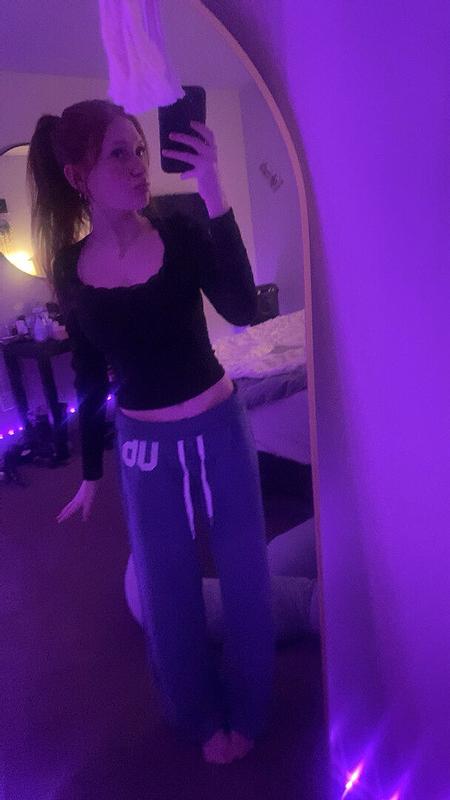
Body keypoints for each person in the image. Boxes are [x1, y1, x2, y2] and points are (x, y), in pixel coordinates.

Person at [27, 99, 275, 765]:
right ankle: (199, 717)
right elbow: (87, 372)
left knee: (246, 577)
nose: (139, 166)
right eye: (120, 154)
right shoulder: (69, 270)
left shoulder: (182, 225)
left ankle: (251, 707)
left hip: (220, 427)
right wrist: (89, 474)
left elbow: (243, 308)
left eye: (140, 150)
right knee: (167, 591)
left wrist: (214, 188)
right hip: (144, 448)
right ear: (78, 176)